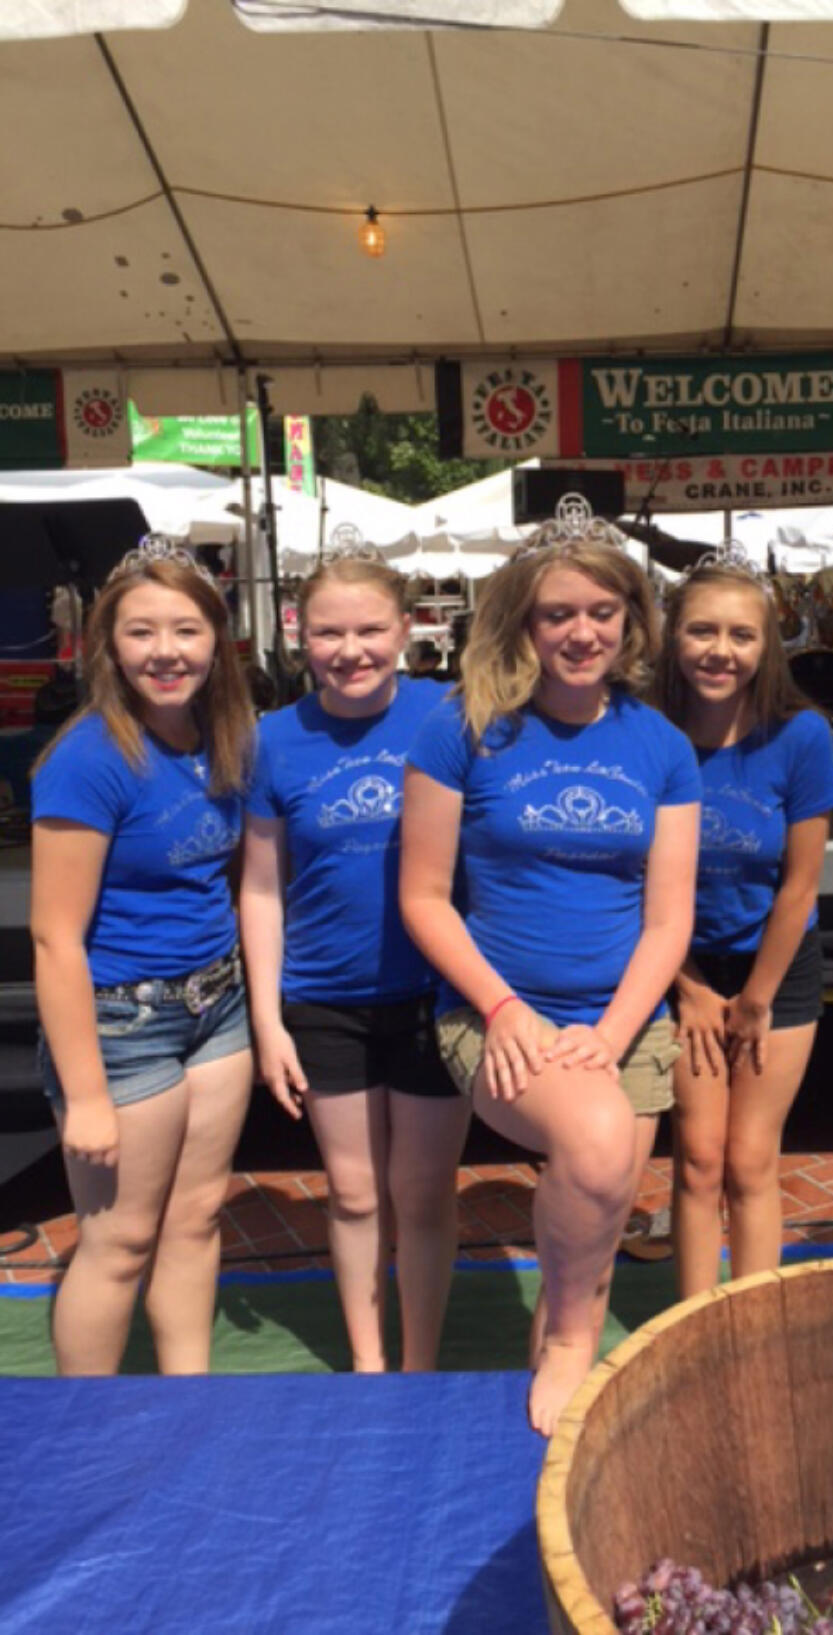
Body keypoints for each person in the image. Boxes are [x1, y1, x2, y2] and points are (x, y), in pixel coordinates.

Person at [400, 503, 700, 1434]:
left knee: (597, 1235)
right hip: (495, 1013)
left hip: (624, 1019)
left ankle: (546, 1445)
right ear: (522, 623)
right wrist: (502, 1008)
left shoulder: (662, 744)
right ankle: (572, 1346)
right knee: (601, 1148)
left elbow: (669, 918)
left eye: (602, 612)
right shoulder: (466, 729)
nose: (582, 633)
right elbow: (423, 897)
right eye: (558, 613)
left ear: (632, 620)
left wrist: (610, 1036)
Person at [240, 551, 469, 1372]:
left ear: (408, 628)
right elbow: (262, 887)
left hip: (433, 992)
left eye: (371, 628)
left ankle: (422, 1361)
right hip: (324, 998)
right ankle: (371, 1366)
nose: (352, 649)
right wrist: (267, 1018)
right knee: (354, 1191)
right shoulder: (272, 739)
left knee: (424, 1190)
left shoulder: (450, 716)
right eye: (329, 630)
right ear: (299, 634)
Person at [29, 538, 254, 1376]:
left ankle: (186, 1397)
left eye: (187, 630)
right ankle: (87, 1427)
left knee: (196, 1216)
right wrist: (86, 1092)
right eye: (142, 632)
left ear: (217, 639)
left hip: (216, 1008)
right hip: (123, 1023)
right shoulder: (91, 758)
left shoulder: (223, 734)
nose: (167, 651)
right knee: (119, 1240)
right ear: (109, 647)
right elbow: (53, 936)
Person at [655, 548, 833, 1296]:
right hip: (680, 964)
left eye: (741, 635)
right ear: (675, 636)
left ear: (768, 646)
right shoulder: (649, 733)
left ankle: (756, 1325)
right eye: (703, 631)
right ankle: (697, 1324)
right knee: (698, 1157)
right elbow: (633, 882)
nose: (720, 651)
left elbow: (800, 883)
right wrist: (691, 987)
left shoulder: (799, 736)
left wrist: (759, 994)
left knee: (751, 1158)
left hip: (777, 965)